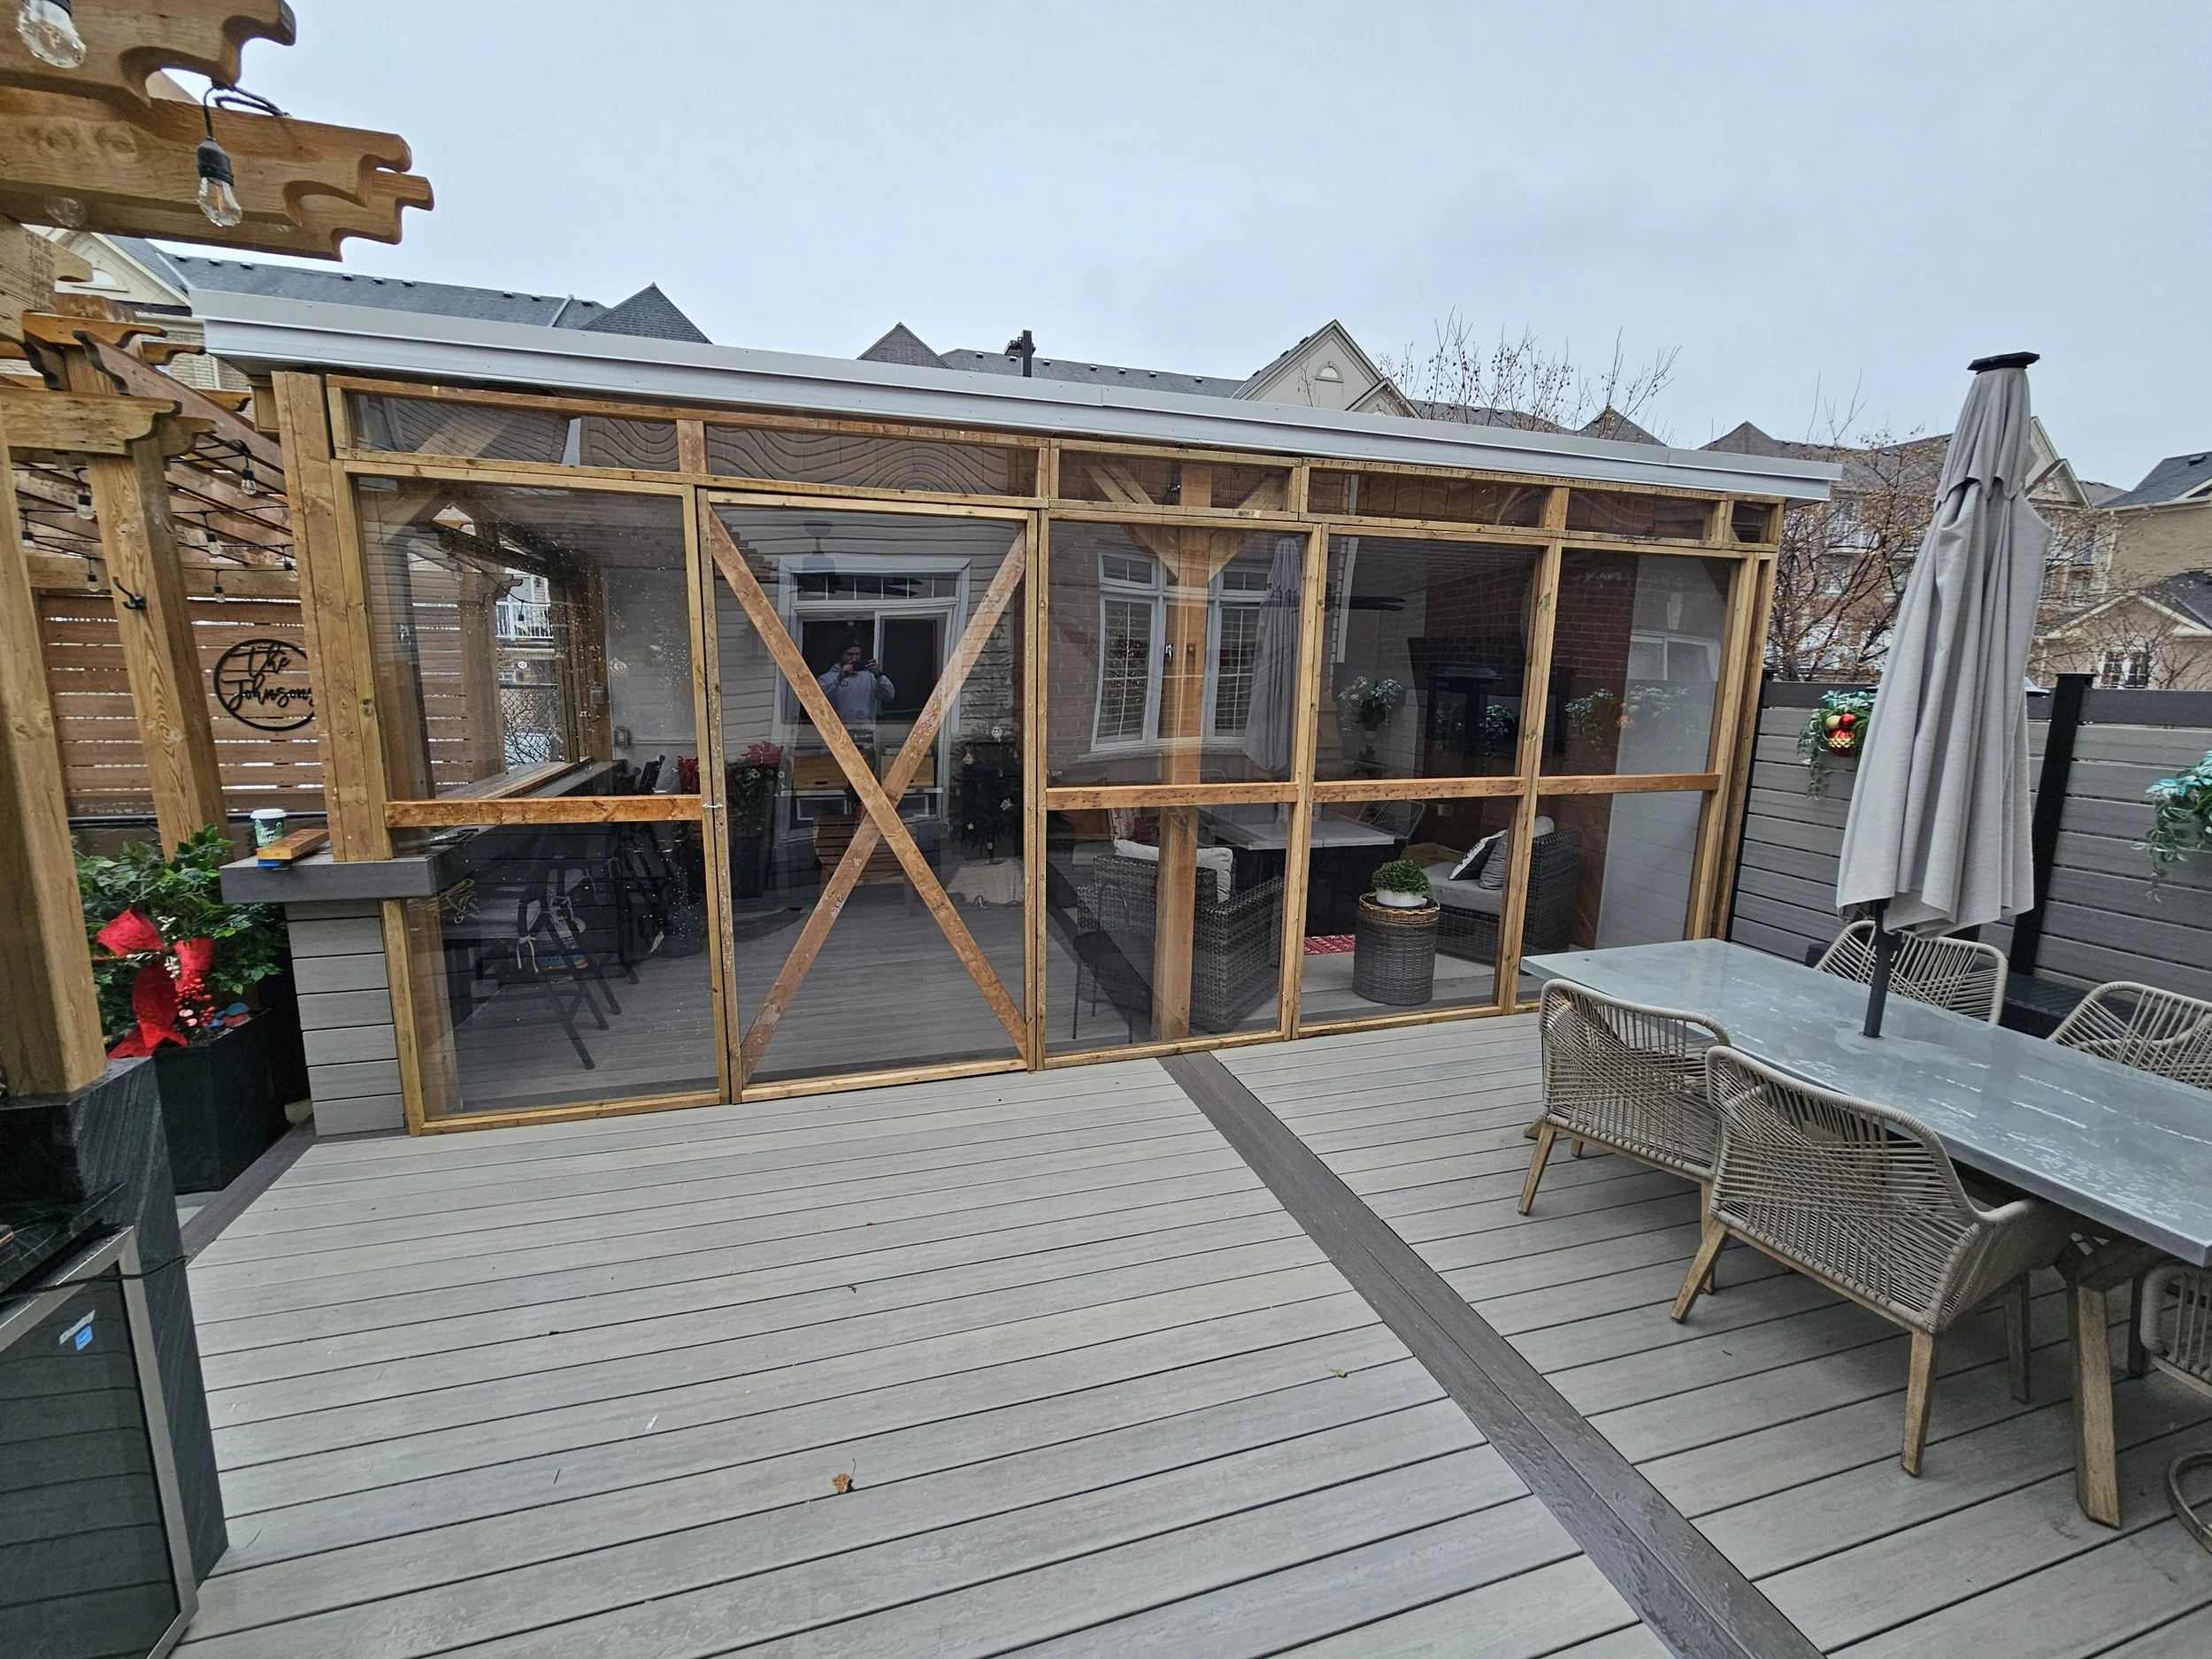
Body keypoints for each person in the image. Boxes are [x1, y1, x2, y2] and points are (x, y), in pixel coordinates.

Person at [818, 643, 895, 729]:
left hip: (865, 732)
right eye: (850, 654)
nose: (854, 658)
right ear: (841, 656)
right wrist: (839, 678)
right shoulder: (828, 677)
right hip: (837, 732)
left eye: (857, 654)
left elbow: (889, 696)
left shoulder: (870, 677)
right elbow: (816, 698)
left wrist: (879, 675)